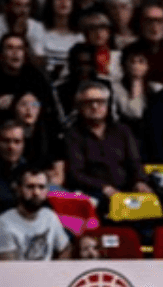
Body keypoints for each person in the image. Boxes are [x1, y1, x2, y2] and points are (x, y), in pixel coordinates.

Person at [63, 81, 146, 209]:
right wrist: (103, 187)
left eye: (100, 101)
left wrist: (139, 182)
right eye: (89, 102)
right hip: (95, 194)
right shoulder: (73, 135)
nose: (95, 106)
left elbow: (135, 163)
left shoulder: (122, 131)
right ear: (80, 107)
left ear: (108, 105)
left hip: (127, 192)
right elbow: (76, 174)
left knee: (150, 205)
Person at [0, 169, 72, 261]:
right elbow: (9, 269)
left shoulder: (49, 216)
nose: (36, 192)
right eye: (30, 187)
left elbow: (65, 248)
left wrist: (55, 271)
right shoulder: (2, 224)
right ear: (18, 189)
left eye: (41, 187)